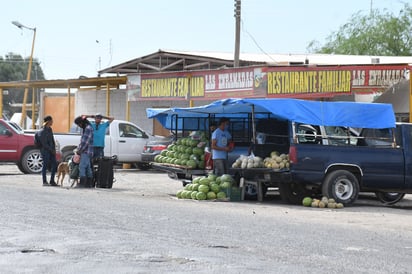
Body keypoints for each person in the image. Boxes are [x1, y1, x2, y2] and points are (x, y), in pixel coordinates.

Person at [74, 115, 94, 188]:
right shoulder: (87, 127)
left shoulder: (88, 128)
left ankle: (82, 183)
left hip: (86, 151)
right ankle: (89, 183)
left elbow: (85, 142)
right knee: (88, 167)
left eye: (78, 124)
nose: (79, 126)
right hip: (88, 151)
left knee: (82, 166)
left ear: (81, 122)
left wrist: (79, 150)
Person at [38, 115, 58, 186]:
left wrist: (54, 149)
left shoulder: (50, 129)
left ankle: (52, 181)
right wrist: (50, 149)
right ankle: (44, 181)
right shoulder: (42, 131)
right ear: (48, 121)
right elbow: (44, 144)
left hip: (51, 150)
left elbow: (52, 140)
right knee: (45, 165)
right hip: (45, 151)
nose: (52, 122)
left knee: (54, 164)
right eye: (51, 120)